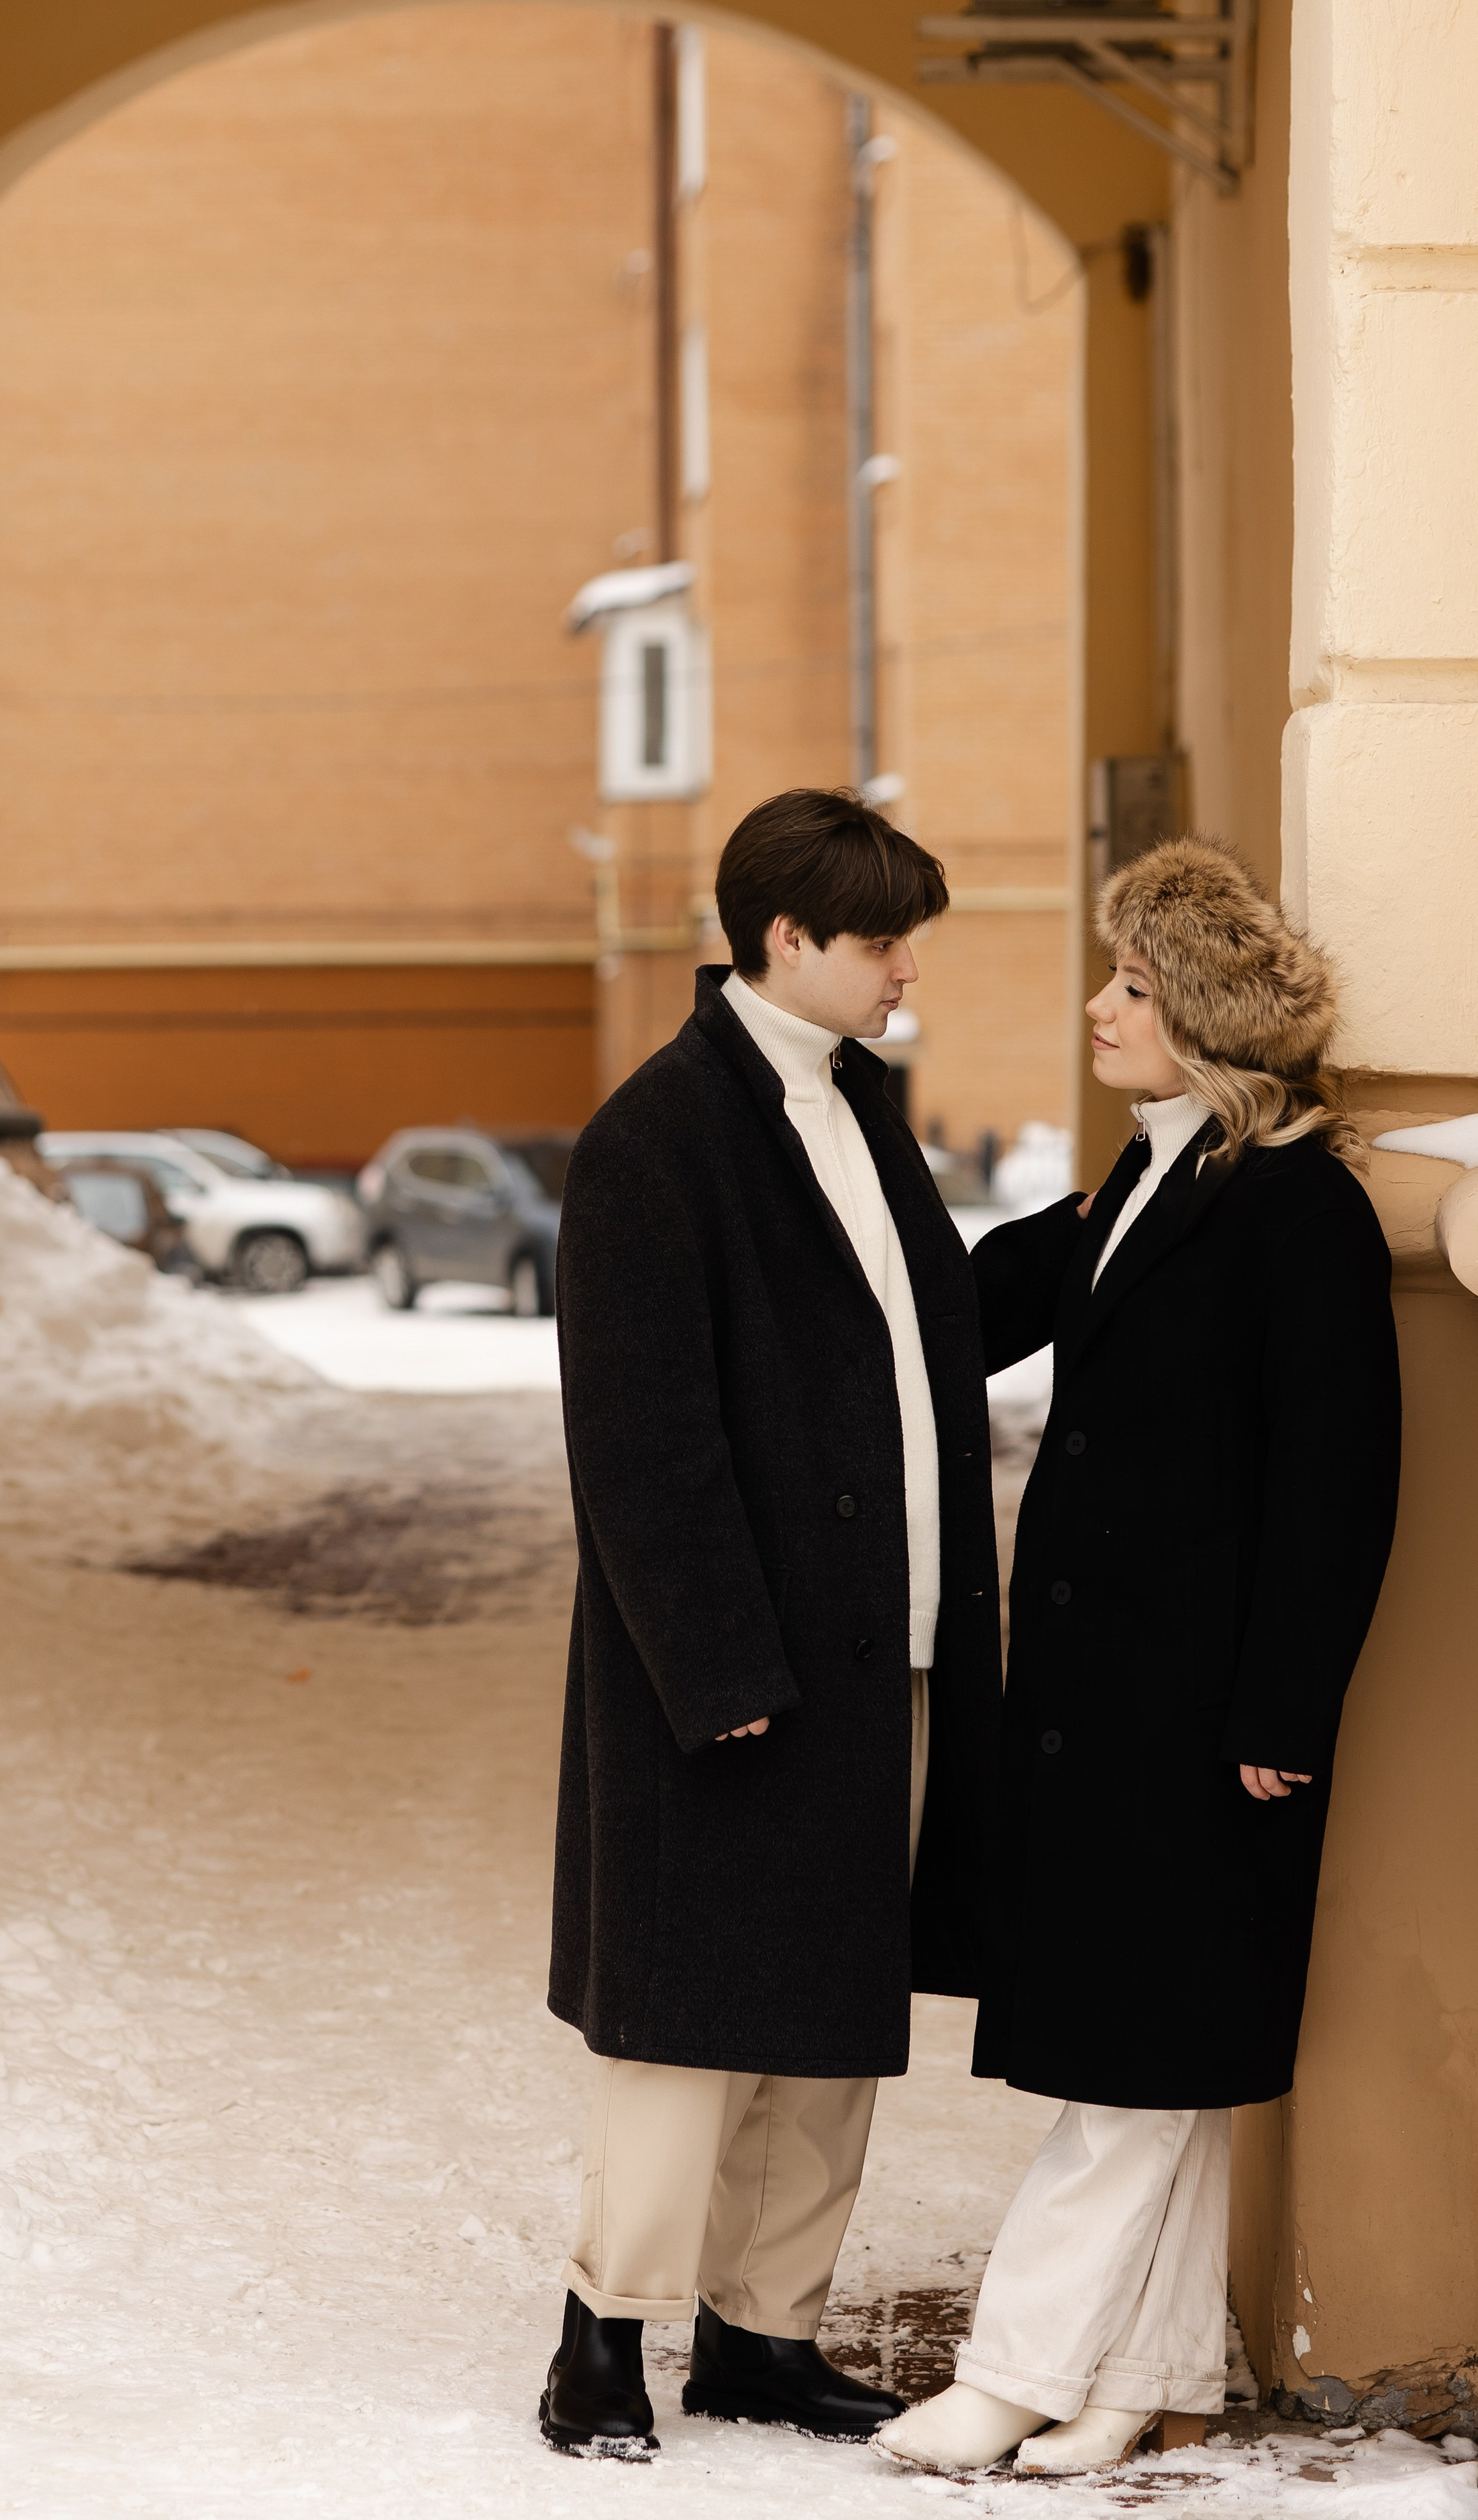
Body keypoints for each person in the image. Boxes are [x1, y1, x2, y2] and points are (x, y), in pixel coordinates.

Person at [874, 837, 1401, 2479]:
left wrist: (1280, 1707)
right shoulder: (1153, 1180)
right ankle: (1144, 2377)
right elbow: (973, 1309)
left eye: (1130, 985)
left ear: (1208, 1022)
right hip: (1107, 1703)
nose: (1098, 1008)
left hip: (1205, 1714)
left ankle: (1013, 2370)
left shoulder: (1296, 1209)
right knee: (1160, 2053)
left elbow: (1336, 1483)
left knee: (1127, 2066)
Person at [539, 788, 1002, 2459]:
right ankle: (601, 2336)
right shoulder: (656, 1137)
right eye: (879, 944)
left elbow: (915, 1329)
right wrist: (714, 1659)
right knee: (684, 2021)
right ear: (785, 937)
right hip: (736, 1668)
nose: (902, 974)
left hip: (888, 1650)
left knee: (827, 2016)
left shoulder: (858, 1108)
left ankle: (762, 2335)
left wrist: (1131, 1239)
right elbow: (638, 1437)